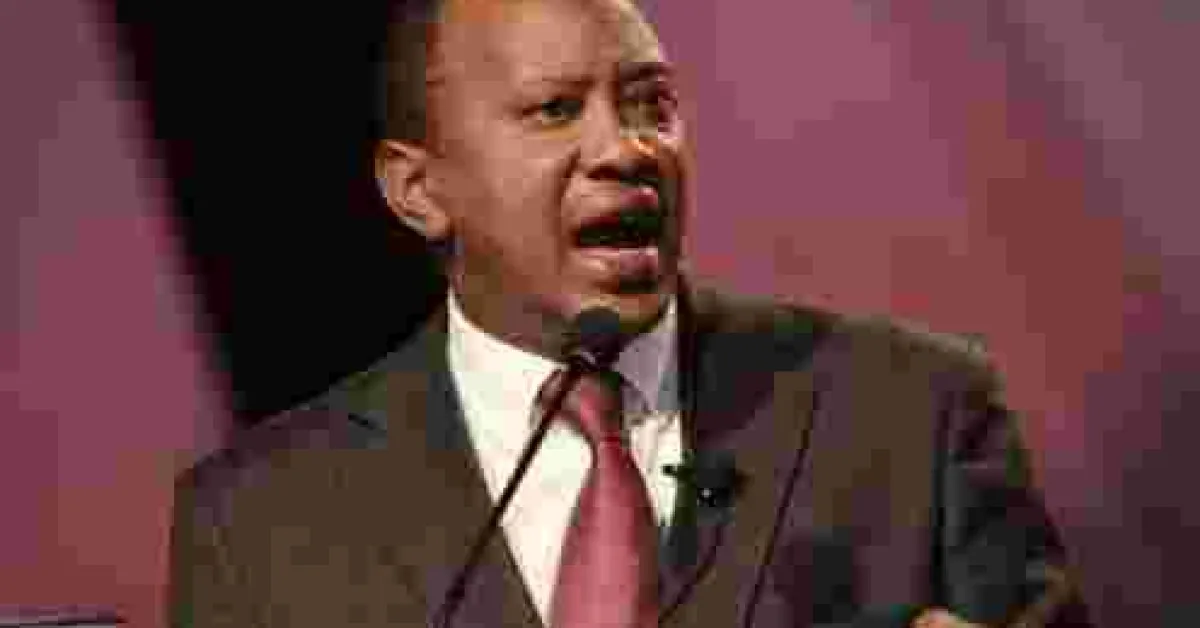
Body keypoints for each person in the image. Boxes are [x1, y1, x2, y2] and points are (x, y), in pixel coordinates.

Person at [166, 0, 1093, 626]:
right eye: (554, 110)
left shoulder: (912, 412)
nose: (627, 148)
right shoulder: (259, 522)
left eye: (652, 104)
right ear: (419, 189)